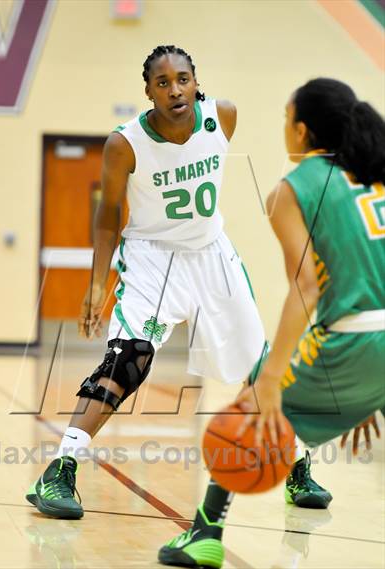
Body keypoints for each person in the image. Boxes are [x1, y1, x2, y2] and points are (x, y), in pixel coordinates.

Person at [25, 47, 328, 525]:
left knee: (259, 366)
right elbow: (108, 215)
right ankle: (59, 468)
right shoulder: (124, 144)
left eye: (182, 79)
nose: (174, 90)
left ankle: (296, 467)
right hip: (151, 258)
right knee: (128, 359)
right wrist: (96, 281)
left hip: (212, 255)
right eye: (162, 83)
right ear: (148, 91)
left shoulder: (222, 117)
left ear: (195, 82)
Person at [159, 77, 384, 568]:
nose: (283, 127)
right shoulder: (374, 176)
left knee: (248, 413)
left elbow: (306, 288)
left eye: (285, 118)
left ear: (301, 131)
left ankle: (204, 534)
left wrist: (269, 379)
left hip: (352, 338)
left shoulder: (292, 188)